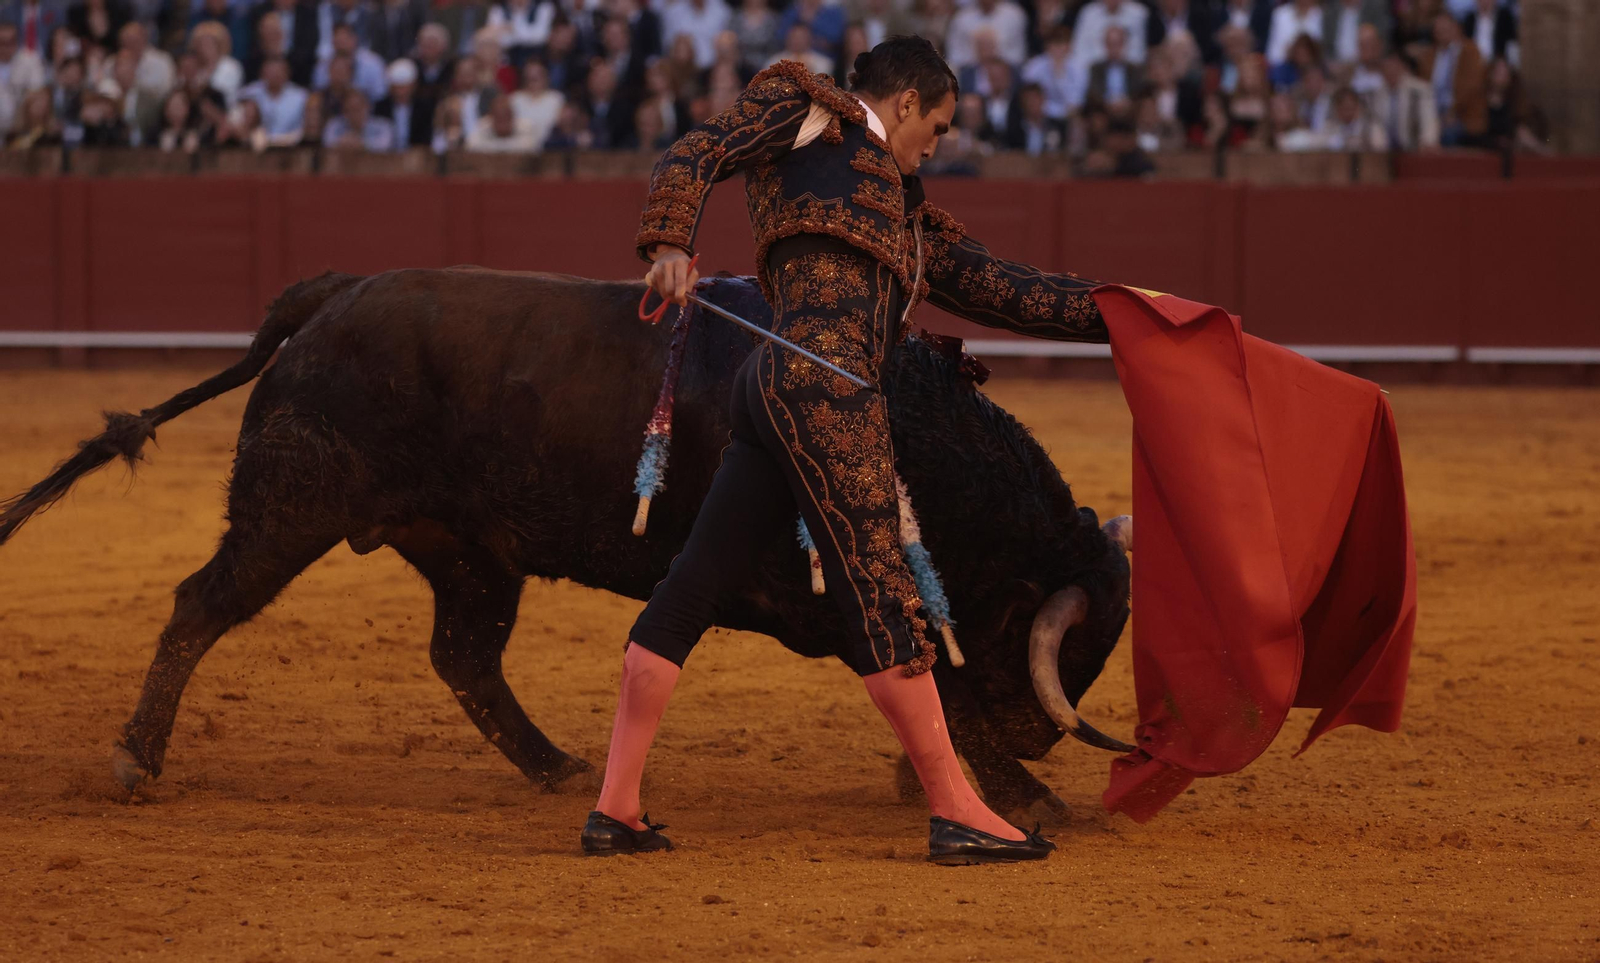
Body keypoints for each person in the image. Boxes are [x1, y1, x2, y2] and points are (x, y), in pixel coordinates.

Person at [591, 36, 1120, 865]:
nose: (936, 147)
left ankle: (615, 806)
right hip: (826, 389)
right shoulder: (811, 116)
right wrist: (666, 243)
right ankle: (956, 812)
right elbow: (698, 150)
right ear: (907, 102)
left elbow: (1007, 290)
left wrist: (1133, 317)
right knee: (884, 594)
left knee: (693, 582)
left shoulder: (903, 214)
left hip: (771, 386)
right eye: (938, 126)